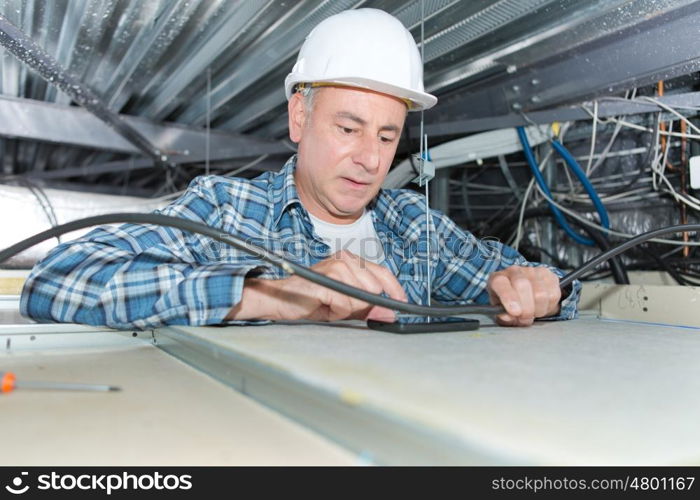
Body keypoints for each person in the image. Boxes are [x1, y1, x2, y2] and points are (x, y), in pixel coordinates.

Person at [20, 8, 580, 330]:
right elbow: (59, 278)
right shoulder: (228, 210)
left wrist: (538, 287)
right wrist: (277, 295)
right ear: (298, 117)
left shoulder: (414, 226)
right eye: (348, 128)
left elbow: (523, 277)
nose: (370, 158)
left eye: (387, 136)